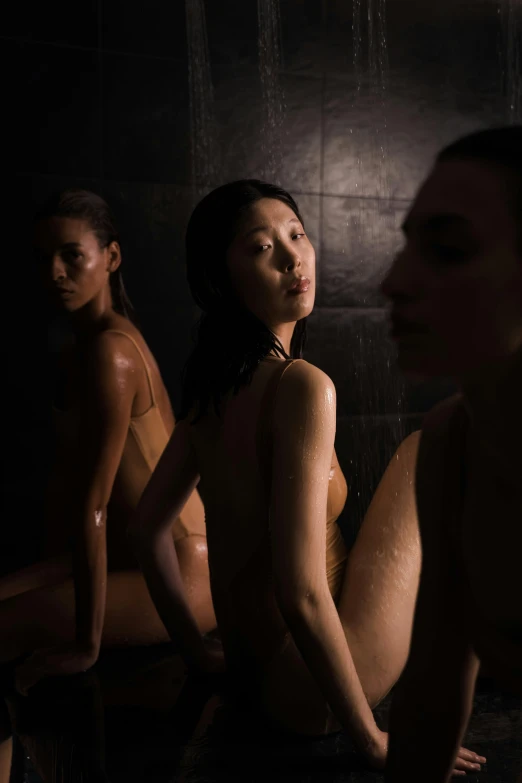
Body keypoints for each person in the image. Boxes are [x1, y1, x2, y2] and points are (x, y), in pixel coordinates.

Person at [130, 180, 483, 773]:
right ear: (222, 278)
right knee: (439, 444)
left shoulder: (211, 394)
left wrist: (197, 650)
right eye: (261, 247)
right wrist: (370, 740)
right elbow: (299, 591)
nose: (294, 257)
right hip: (312, 694)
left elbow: (147, 529)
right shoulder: (302, 385)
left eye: (296, 235)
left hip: (253, 676)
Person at [0, 189, 217, 783]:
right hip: (128, 555)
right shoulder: (80, 351)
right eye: (43, 256)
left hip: (183, 567)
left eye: (72, 255)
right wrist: (57, 567)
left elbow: (92, 505)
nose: (55, 272)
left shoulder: (111, 353)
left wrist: (84, 643)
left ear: (112, 258)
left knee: (7, 627)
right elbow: (69, 488)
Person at [382, 126, 522, 782]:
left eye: (448, 249)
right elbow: (434, 681)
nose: (393, 281)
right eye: (408, 244)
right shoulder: (452, 442)